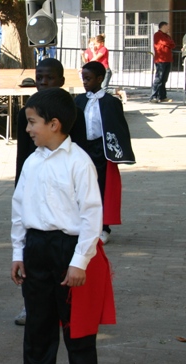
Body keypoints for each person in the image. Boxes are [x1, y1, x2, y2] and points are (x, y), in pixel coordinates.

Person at [11, 87, 116, 364]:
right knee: (38, 329)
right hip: (36, 249)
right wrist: (18, 253)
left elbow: (92, 215)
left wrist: (79, 261)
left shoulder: (78, 162)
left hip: (67, 249)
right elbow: (19, 210)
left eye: (32, 122)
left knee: (77, 332)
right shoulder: (32, 161)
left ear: (53, 124)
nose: (28, 128)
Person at [14, 58, 88, 326]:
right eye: (39, 77)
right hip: (35, 195)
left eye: (49, 78)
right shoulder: (29, 115)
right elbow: (24, 153)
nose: (43, 82)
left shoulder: (70, 114)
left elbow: (90, 208)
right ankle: (32, 309)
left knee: (71, 318)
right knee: (38, 318)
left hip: (65, 209)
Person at [75, 61, 136, 245]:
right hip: (83, 148)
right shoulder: (79, 100)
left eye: (88, 78)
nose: (84, 81)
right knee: (82, 187)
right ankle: (83, 225)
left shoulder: (111, 102)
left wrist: (119, 151)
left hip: (102, 150)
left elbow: (118, 127)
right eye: (83, 78)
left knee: (102, 187)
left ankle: (103, 227)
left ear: (100, 79)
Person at [90, 34, 127, 103]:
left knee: (104, 88)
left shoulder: (103, 49)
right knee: (99, 88)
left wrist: (89, 63)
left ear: (102, 43)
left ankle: (119, 92)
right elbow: (96, 59)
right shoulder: (98, 50)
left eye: (96, 44)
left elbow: (96, 59)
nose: (95, 46)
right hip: (100, 71)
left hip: (105, 70)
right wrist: (94, 52)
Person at [150, 22, 175, 103]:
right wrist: (169, 43)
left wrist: (169, 43)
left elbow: (173, 44)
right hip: (161, 60)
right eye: (167, 27)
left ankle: (162, 96)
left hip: (168, 59)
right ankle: (153, 96)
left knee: (164, 79)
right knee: (158, 78)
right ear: (163, 26)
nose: (168, 29)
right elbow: (166, 42)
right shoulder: (157, 35)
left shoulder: (167, 36)